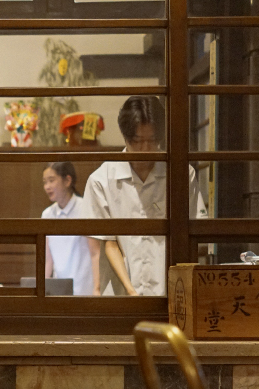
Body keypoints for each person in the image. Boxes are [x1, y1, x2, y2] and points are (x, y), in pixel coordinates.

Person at [84, 96, 208, 296]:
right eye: (138, 141)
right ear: (126, 138)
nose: (145, 149)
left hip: (172, 293)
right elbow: (110, 243)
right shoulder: (102, 180)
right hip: (121, 296)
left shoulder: (180, 175)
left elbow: (192, 236)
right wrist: (131, 292)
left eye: (152, 141)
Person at [40, 161, 95, 296]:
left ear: (67, 181)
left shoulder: (85, 208)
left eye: (51, 180)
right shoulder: (47, 215)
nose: (47, 186)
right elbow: (47, 259)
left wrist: (97, 289)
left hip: (85, 289)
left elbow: (95, 253)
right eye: (45, 182)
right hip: (60, 291)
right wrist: (41, 289)